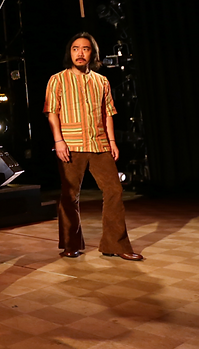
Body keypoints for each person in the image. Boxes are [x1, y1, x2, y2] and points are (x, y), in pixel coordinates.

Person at [44, 32, 144, 261]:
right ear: (70, 53)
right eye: (75, 48)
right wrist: (58, 141)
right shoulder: (57, 79)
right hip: (71, 144)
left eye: (85, 49)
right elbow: (52, 113)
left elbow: (108, 114)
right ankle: (71, 244)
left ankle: (115, 244)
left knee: (115, 191)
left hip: (99, 143)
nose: (80, 53)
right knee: (70, 196)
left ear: (93, 53)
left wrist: (112, 142)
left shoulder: (102, 81)